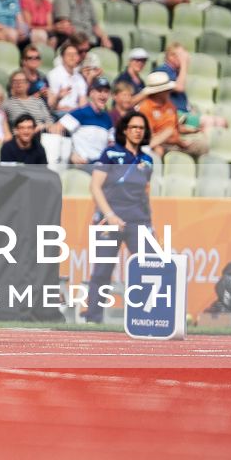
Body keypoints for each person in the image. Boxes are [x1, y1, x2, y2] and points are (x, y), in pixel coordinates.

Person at [82, 111, 156, 325]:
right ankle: (93, 318)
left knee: (148, 266)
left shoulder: (147, 160)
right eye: (133, 127)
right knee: (102, 271)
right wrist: (110, 215)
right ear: (125, 130)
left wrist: (150, 224)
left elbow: (146, 193)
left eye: (141, 128)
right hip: (109, 219)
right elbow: (95, 186)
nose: (137, 131)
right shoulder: (110, 154)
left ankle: (146, 317)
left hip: (138, 220)